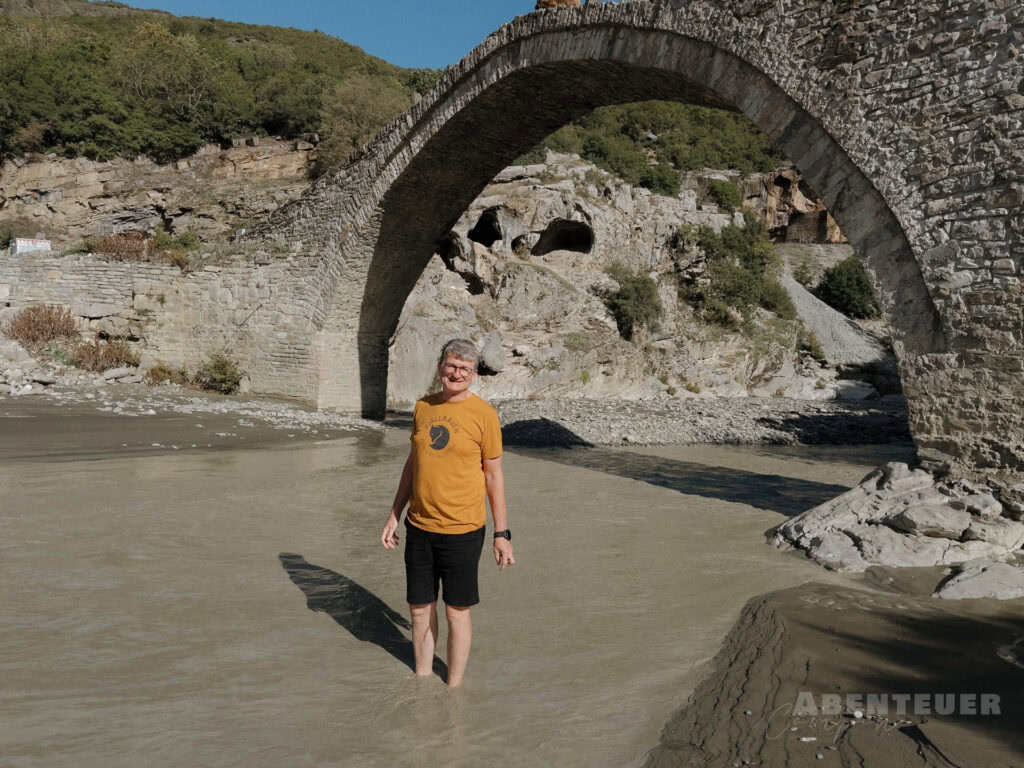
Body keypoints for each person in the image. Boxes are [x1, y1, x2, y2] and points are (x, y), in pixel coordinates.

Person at [381, 338, 514, 687]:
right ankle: (423, 682)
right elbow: (414, 464)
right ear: (441, 367)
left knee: (456, 611)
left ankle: (454, 688)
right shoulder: (423, 407)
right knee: (419, 608)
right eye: (452, 366)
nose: (457, 373)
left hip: (464, 530)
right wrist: (395, 512)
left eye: (465, 369)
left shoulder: (484, 415)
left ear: (474, 375)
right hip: (420, 526)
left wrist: (502, 534)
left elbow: (493, 475)